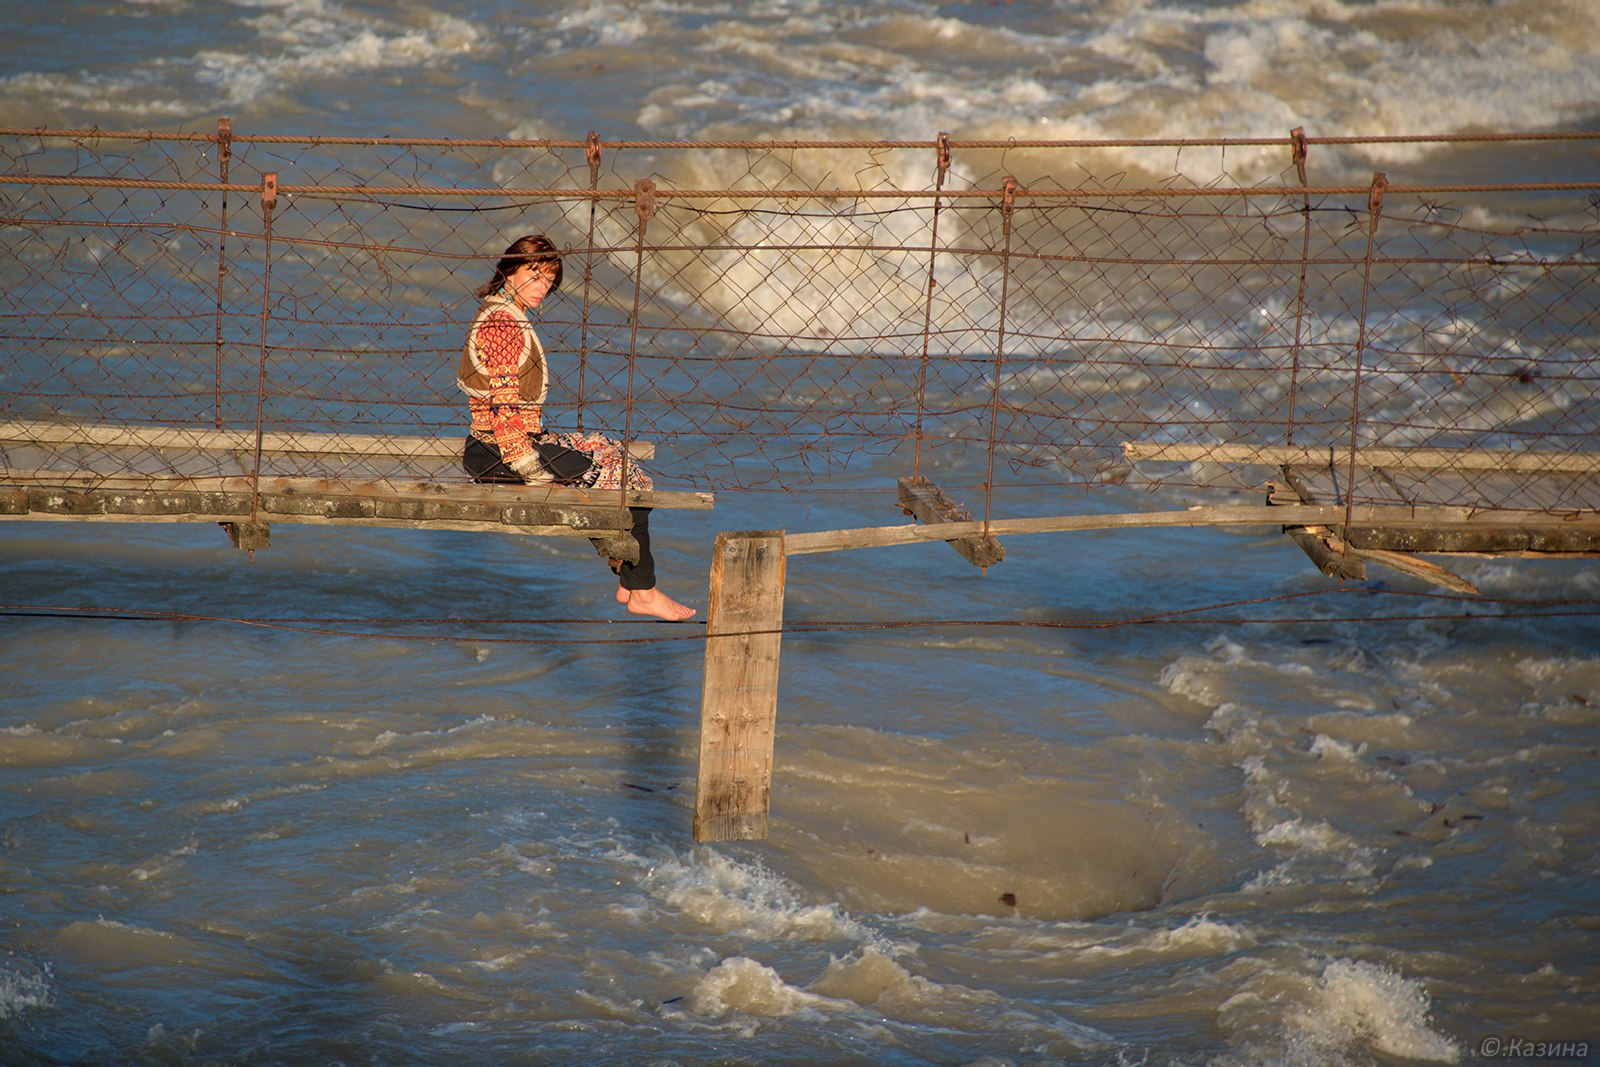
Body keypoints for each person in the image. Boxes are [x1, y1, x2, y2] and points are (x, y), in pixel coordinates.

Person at [457, 234, 695, 621]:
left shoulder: (505, 312)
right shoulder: (502, 323)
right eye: (534, 275)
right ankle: (642, 589)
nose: (543, 287)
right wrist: (535, 473)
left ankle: (631, 581)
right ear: (509, 270)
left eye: (549, 279)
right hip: (498, 454)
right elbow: (502, 412)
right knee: (616, 476)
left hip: (506, 445)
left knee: (609, 452)